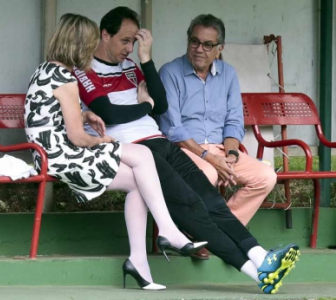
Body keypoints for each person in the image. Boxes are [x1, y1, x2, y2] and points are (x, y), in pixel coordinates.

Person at [75, 6, 299, 294]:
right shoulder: (84, 72)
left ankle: (261, 257)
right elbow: (110, 114)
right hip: (137, 152)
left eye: (134, 42)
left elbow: (162, 104)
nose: (129, 48)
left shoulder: (132, 67)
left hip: (160, 143)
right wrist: (144, 106)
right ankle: (257, 275)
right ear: (105, 35)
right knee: (195, 212)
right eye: (125, 40)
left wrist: (146, 59)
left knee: (213, 203)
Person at [24, 13, 207, 291]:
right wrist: (105, 141)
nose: (92, 49)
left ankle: (139, 263)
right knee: (141, 156)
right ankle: (169, 231)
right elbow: (77, 138)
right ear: (79, 45)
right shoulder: (68, 79)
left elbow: (49, 115)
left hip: (47, 153)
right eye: (89, 43)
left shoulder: (47, 69)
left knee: (139, 182)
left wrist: (84, 115)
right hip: (61, 158)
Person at [158, 14, 277, 226]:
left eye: (207, 44)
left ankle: (220, 228)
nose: (199, 49)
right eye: (194, 41)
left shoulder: (228, 74)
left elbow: (233, 122)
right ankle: (203, 232)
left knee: (266, 177)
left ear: (219, 49)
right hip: (183, 150)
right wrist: (209, 158)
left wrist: (230, 155)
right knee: (207, 174)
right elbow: (173, 129)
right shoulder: (170, 72)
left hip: (221, 151)